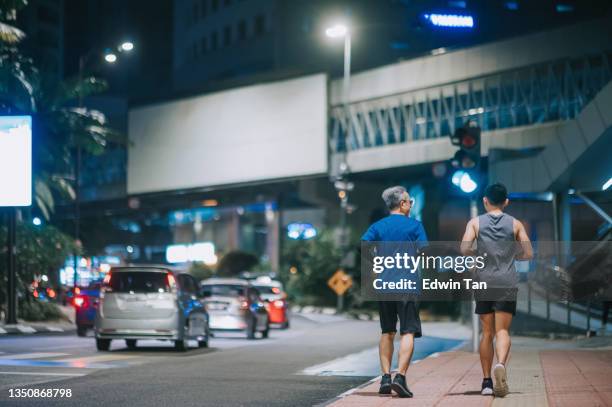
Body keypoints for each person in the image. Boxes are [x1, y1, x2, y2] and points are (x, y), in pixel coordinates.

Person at [461, 183, 533, 397]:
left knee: (487, 333)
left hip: (484, 281)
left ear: (485, 200)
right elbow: (528, 253)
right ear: (506, 201)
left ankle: (486, 382)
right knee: (502, 331)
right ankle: (500, 364)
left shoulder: (475, 223)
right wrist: (513, 256)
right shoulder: (515, 224)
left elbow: (464, 248)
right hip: (506, 282)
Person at [362, 186, 428, 398]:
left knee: (387, 331)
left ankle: (385, 378)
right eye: (409, 201)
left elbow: (363, 246)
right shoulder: (415, 226)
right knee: (408, 331)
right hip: (407, 285)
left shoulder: (378, 226)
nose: (411, 205)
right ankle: (400, 376)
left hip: (385, 285)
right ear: (402, 204)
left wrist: (377, 261)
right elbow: (425, 252)